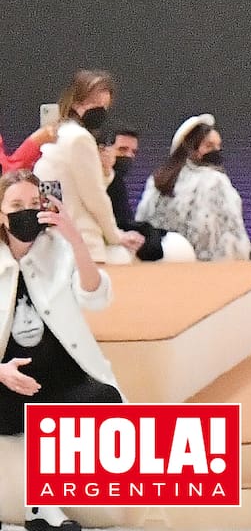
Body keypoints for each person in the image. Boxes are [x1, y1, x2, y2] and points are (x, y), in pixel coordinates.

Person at [0, 170, 123, 531]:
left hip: (56, 386)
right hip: (7, 389)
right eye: (16, 205)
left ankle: (42, 507)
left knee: (104, 399)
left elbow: (96, 298)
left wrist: (77, 240)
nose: (27, 212)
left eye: (33, 204)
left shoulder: (61, 251)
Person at [33, 71, 143, 264]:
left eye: (105, 106)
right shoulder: (80, 138)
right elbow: (94, 196)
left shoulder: (58, 134)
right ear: (75, 101)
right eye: (94, 103)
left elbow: (72, 186)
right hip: (84, 246)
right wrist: (116, 236)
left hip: (56, 244)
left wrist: (106, 171)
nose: (100, 111)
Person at [135, 114, 251, 262]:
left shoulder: (158, 180)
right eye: (209, 146)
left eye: (218, 146)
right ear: (190, 147)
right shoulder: (215, 181)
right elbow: (231, 234)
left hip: (161, 263)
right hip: (206, 269)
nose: (216, 151)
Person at [96, 124, 195, 262]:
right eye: (122, 149)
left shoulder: (117, 181)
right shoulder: (95, 180)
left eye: (133, 152)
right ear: (103, 150)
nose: (128, 156)